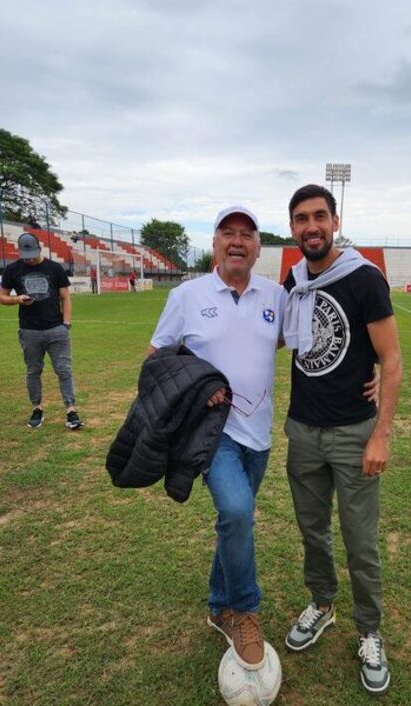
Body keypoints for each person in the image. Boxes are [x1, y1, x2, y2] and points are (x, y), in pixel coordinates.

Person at [146, 206, 285, 672]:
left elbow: (288, 344)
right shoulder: (188, 295)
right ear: (215, 243)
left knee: (234, 522)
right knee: (237, 510)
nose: (238, 241)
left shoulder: (275, 295)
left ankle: (217, 603)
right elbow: (156, 359)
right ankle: (245, 610)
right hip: (213, 435)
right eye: (229, 233)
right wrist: (194, 391)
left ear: (258, 247)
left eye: (248, 234)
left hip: (259, 432)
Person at [282, 185, 402, 696]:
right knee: (312, 532)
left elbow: (392, 361)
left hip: (354, 433)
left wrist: (381, 434)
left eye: (319, 216)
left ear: (335, 220)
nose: (311, 226)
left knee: (360, 541)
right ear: (292, 227)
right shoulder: (290, 280)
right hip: (303, 430)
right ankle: (322, 603)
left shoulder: (363, 278)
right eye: (301, 218)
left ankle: (369, 632)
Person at [0, 233, 84, 430]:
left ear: (40, 248)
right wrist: (17, 299)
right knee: (33, 371)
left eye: (32, 254)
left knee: (64, 370)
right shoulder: (12, 270)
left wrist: (66, 324)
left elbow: (65, 297)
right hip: (29, 331)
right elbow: (2, 297)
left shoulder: (54, 268)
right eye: (25, 255)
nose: (29, 259)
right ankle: (37, 408)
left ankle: (71, 410)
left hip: (56, 329)